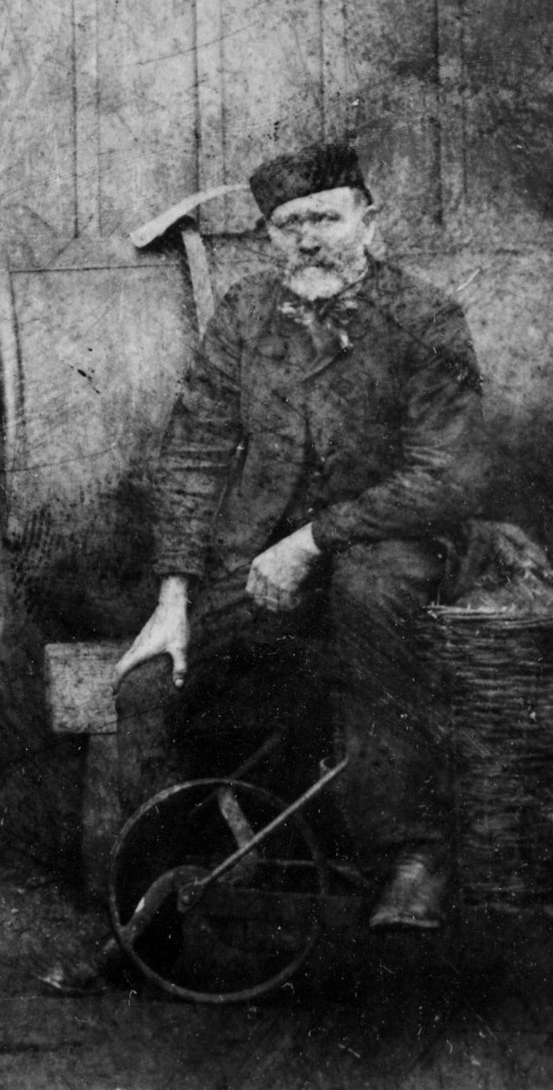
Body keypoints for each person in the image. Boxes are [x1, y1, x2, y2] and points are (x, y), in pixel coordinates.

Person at [112, 142, 481, 933]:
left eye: (326, 219)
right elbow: (194, 449)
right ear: (269, 237)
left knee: (369, 590)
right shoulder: (246, 313)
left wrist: (312, 539)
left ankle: (412, 856)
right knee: (151, 683)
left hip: (388, 548)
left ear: (368, 221)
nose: (309, 240)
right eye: (288, 225)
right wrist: (173, 598)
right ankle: (148, 916)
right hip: (257, 562)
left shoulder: (425, 317)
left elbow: (444, 479)